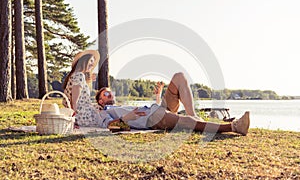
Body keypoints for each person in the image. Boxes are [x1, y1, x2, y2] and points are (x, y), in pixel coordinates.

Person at [95, 72, 250, 135]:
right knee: (185, 122)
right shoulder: (103, 111)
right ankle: (233, 127)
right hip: (152, 119)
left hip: (155, 110)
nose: (111, 94)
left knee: (179, 77)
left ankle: (194, 115)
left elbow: (144, 109)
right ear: (101, 100)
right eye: (106, 93)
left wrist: (158, 96)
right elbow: (111, 126)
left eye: (111, 92)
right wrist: (125, 119)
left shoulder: (119, 105)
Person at [62, 50, 101, 127]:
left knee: (107, 111)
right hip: (83, 116)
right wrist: (73, 121)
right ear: (84, 61)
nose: (92, 64)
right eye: (91, 61)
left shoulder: (77, 75)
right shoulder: (79, 76)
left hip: (84, 113)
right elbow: (74, 102)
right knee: (109, 115)